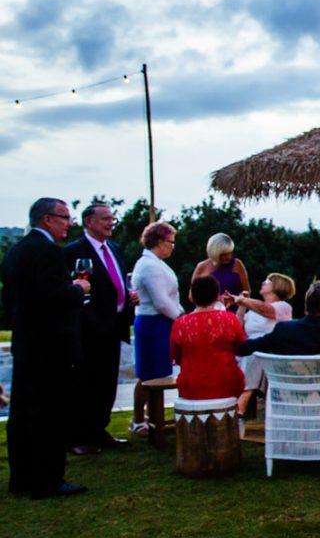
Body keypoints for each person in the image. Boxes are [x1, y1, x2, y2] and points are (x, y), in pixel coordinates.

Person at [1, 198, 91, 499]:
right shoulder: (48, 251)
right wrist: (78, 289)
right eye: (64, 217)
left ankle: (21, 477)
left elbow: (13, 300)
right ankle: (48, 480)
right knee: (50, 415)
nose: (69, 223)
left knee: (22, 413)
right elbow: (53, 298)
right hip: (51, 346)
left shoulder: (16, 250)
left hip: (26, 343)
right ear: (47, 219)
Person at [63, 202, 138, 454]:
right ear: (89, 222)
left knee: (107, 383)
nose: (111, 223)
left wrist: (128, 295)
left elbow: (117, 281)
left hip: (114, 326)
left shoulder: (115, 249)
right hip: (89, 329)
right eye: (105, 218)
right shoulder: (73, 251)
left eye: (112, 218)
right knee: (85, 383)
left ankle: (99, 430)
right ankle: (79, 437)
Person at [129, 221, 183, 435]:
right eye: (171, 242)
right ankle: (138, 420)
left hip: (160, 322)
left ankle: (154, 417)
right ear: (159, 241)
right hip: (153, 323)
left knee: (157, 373)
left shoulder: (155, 263)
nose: (173, 246)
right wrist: (180, 318)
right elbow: (161, 302)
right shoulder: (149, 266)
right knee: (149, 375)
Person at [172, 277, 247, 400]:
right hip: (227, 383)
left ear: (192, 297)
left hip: (191, 387)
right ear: (217, 296)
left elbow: (176, 356)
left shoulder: (179, 323)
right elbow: (241, 348)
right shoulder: (229, 318)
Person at [232, 272, 295, 416]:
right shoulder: (252, 311)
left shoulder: (283, 307)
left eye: (267, 281)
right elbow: (237, 329)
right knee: (252, 353)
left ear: (277, 286)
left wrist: (244, 300)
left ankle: (244, 398)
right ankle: (245, 397)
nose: (262, 283)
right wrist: (241, 306)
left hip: (273, 352)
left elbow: (264, 310)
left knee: (257, 353)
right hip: (251, 352)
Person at [193, 233, 249, 313]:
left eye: (230, 252)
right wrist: (216, 300)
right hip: (210, 313)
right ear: (214, 252)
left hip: (235, 313)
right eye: (224, 254)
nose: (229, 257)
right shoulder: (202, 267)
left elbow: (247, 292)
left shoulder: (237, 264)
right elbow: (192, 296)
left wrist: (235, 299)